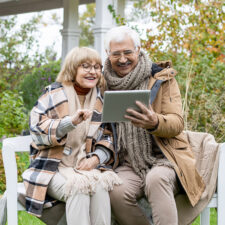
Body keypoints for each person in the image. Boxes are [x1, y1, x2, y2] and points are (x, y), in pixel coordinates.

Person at [103, 26, 205, 225]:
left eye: (128, 52)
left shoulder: (162, 79)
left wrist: (155, 122)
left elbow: (176, 123)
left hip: (165, 157)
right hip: (128, 163)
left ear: (138, 50)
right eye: (116, 54)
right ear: (107, 54)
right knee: (115, 190)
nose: (122, 59)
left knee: (155, 179)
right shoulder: (102, 82)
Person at [22, 47, 121, 225]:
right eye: (85, 66)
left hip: (85, 166)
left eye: (97, 67)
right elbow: (36, 130)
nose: (93, 72)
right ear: (72, 69)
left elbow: (108, 136)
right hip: (51, 167)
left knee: (99, 187)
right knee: (78, 189)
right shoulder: (53, 94)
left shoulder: (100, 100)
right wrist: (69, 122)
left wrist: (96, 158)